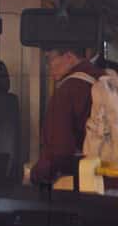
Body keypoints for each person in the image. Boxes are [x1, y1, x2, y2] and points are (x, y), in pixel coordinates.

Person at [30, 47, 103, 185]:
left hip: (88, 182)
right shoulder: (105, 79)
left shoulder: (67, 91)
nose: (49, 66)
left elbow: (58, 152)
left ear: (69, 57)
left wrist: (35, 175)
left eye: (50, 59)